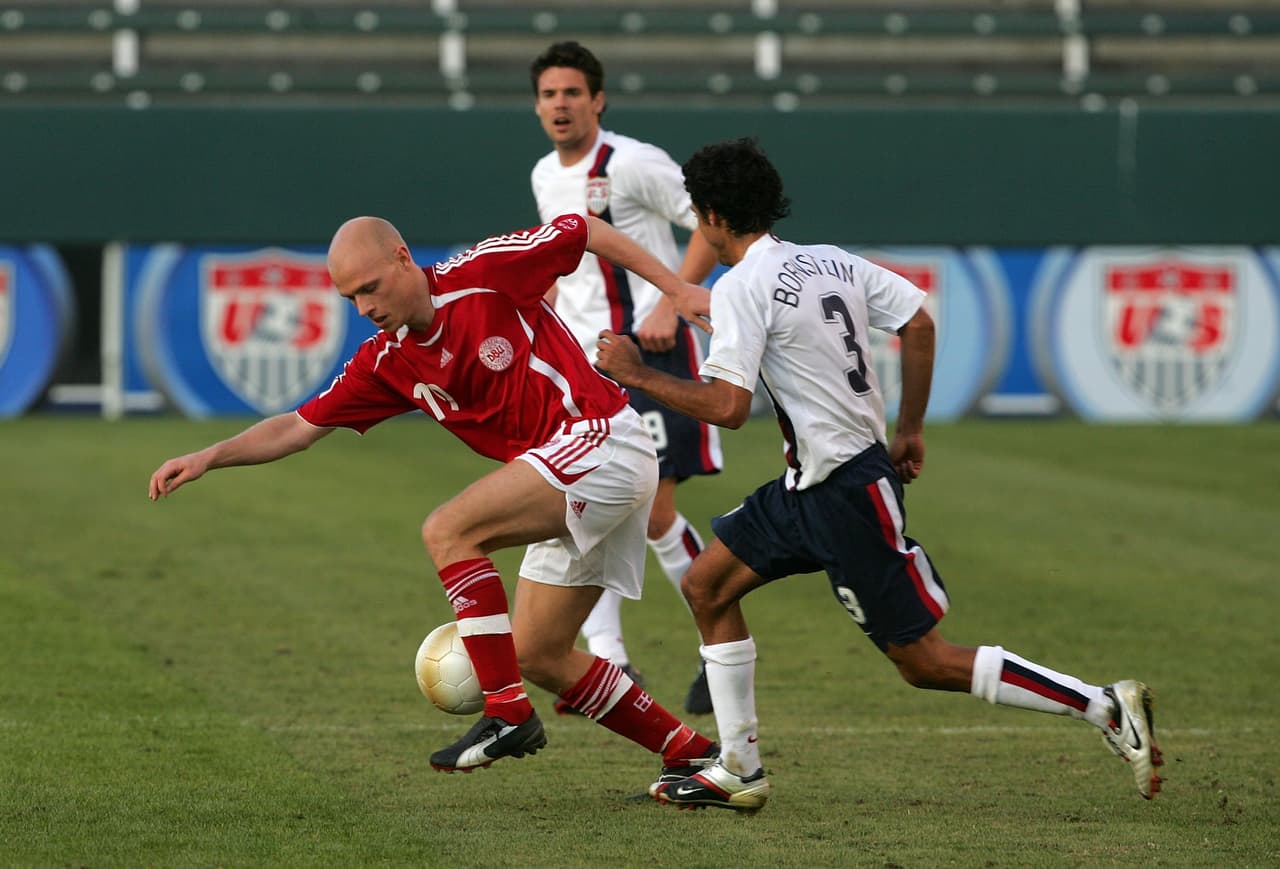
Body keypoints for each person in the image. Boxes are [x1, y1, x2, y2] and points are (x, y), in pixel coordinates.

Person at [595, 138, 1163, 813]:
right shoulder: (828, 260)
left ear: (713, 214)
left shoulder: (743, 284)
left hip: (845, 493)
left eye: (697, 211)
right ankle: (738, 767)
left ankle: (1103, 705)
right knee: (706, 584)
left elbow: (728, 407)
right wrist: (910, 428)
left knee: (923, 661)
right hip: (811, 484)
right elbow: (919, 322)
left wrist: (636, 375)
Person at [148, 212, 723, 787]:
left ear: (402, 257)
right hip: (569, 471)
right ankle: (688, 753)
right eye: (350, 298)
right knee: (539, 653)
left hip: (602, 440)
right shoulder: (386, 362)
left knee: (449, 531)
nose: (364, 307)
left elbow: (584, 229)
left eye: (369, 288)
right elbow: (296, 428)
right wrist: (208, 457)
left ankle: (506, 711)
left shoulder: (484, 272)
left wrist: (676, 291)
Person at [529, 40, 722, 716]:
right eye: (550, 94)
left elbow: (709, 219)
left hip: (647, 353)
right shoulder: (544, 177)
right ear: (537, 105)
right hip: (582, 370)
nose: (561, 104)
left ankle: (715, 639)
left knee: (656, 511)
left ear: (598, 100)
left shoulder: (632, 163)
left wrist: (673, 296)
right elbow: (566, 264)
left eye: (572, 93)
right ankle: (608, 656)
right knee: (592, 507)